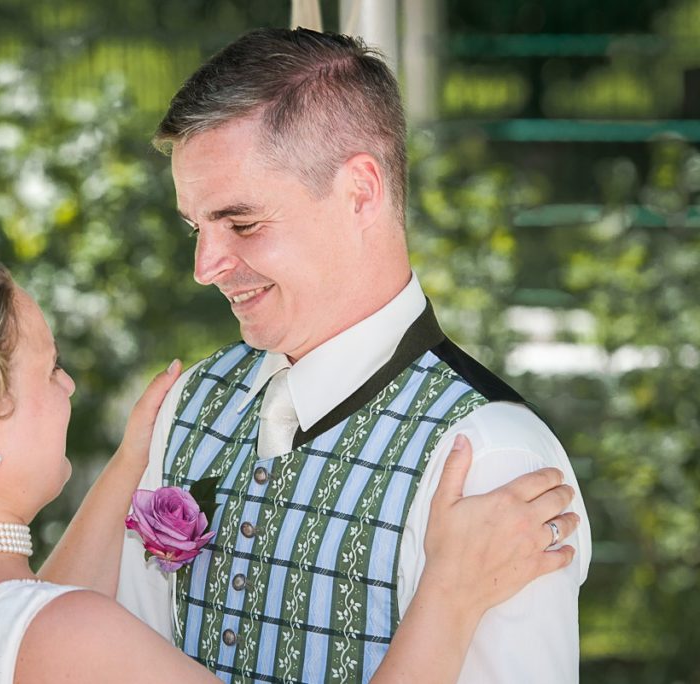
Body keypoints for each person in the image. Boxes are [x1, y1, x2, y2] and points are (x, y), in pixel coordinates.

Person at [0, 250, 577, 683]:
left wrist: (131, 462)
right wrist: (451, 593)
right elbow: (43, 634)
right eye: (49, 369)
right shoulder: (63, 637)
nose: (70, 385)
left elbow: (20, 625)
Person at [116, 27, 591, 684]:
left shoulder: (490, 456)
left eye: (243, 223)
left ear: (361, 190)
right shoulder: (189, 402)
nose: (205, 267)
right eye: (197, 227)